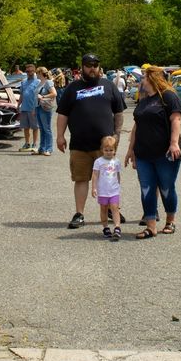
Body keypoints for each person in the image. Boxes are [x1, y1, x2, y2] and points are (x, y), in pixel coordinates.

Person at [56, 53, 126, 230]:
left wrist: (117, 134)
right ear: (82, 67)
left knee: (108, 179)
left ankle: (111, 209)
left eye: (95, 64)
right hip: (80, 144)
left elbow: (118, 112)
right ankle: (79, 214)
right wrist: (60, 135)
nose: (92, 68)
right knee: (81, 179)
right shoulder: (72, 88)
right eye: (88, 65)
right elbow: (63, 113)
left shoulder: (109, 86)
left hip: (105, 146)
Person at [125, 66, 181, 238]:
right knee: (147, 188)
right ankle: (151, 226)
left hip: (165, 153)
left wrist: (174, 143)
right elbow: (137, 126)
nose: (141, 80)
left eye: (143, 77)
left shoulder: (168, 96)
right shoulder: (144, 100)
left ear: (152, 78)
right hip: (143, 153)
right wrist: (130, 150)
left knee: (166, 188)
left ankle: (170, 221)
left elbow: (176, 119)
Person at [91, 135, 124, 241]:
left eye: (111, 150)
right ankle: (105, 227)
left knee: (115, 208)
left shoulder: (117, 162)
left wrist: (118, 186)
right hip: (103, 191)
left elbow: (118, 175)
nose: (108, 152)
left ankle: (117, 227)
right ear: (102, 150)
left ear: (114, 150)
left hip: (114, 190)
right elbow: (95, 175)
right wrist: (94, 188)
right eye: (106, 150)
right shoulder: (98, 162)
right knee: (104, 209)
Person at [18, 63, 41, 153]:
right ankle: (27, 143)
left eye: (31, 71)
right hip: (24, 107)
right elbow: (21, 95)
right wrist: (18, 105)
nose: (29, 73)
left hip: (33, 108)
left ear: (34, 71)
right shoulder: (23, 82)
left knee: (35, 127)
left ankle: (34, 144)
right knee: (25, 127)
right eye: (27, 71)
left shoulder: (38, 81)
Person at [35, 66, 57, 156]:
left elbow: (54, 93)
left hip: (45, 108)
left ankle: (49, 149)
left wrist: (43, 97)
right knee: (42, 129)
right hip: (38, 107)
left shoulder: (48, 82)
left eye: (37, 73)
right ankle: (41, 149)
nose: (36, 74)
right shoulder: (39, 83)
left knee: (47, 129)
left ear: (41, 73)